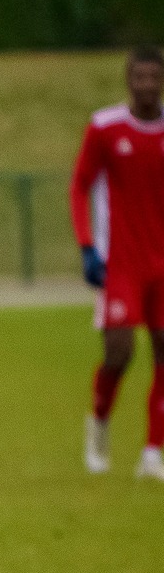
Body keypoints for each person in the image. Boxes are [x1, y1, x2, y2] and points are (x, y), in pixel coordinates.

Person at [71, 45, 164, 480]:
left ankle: (152, 451)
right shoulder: (105, 127)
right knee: (119, 353)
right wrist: (88, 246)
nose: (146, 84)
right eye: (139, 77)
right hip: (121, 263)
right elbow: (80, 186)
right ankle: (100, 422)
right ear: (128, 80)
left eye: (153, 76)